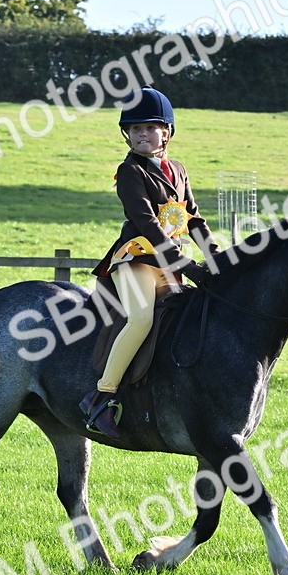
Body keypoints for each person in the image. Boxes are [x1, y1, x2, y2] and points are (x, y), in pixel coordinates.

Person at [79, 87, 218, 439]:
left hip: (170, 262)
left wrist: (217, 258)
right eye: (135, 129)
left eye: (149, 128)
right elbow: (149, 226)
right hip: (137, 256)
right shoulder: (129, 173)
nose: (142, 134)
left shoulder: (179, 170)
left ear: (166, 133)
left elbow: (194, 220)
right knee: (141, 319)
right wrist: (190, 267)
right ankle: (101, 397)